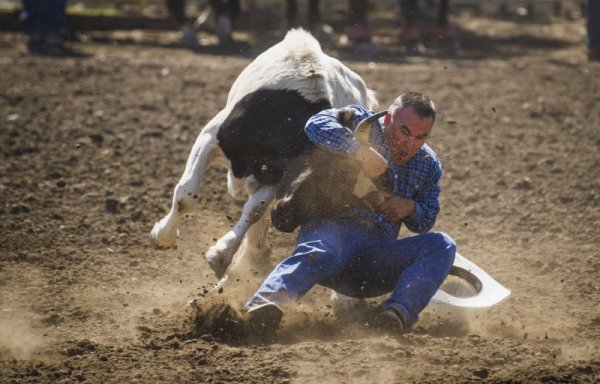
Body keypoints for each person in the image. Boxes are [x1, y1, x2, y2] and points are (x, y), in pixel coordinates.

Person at [244, 92, 456, 337]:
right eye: (405, 132)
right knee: (325, 250)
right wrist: (360, 152)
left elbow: (426, 219)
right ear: (387, 119)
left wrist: (410, 208)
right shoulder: (363, 123)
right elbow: (316, 124)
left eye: (420, 137)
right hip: (334, 230)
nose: (410, 145)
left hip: (376, 258)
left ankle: (395, 316)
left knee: (442, 245)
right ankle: (263, 305)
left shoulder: (428, 164)